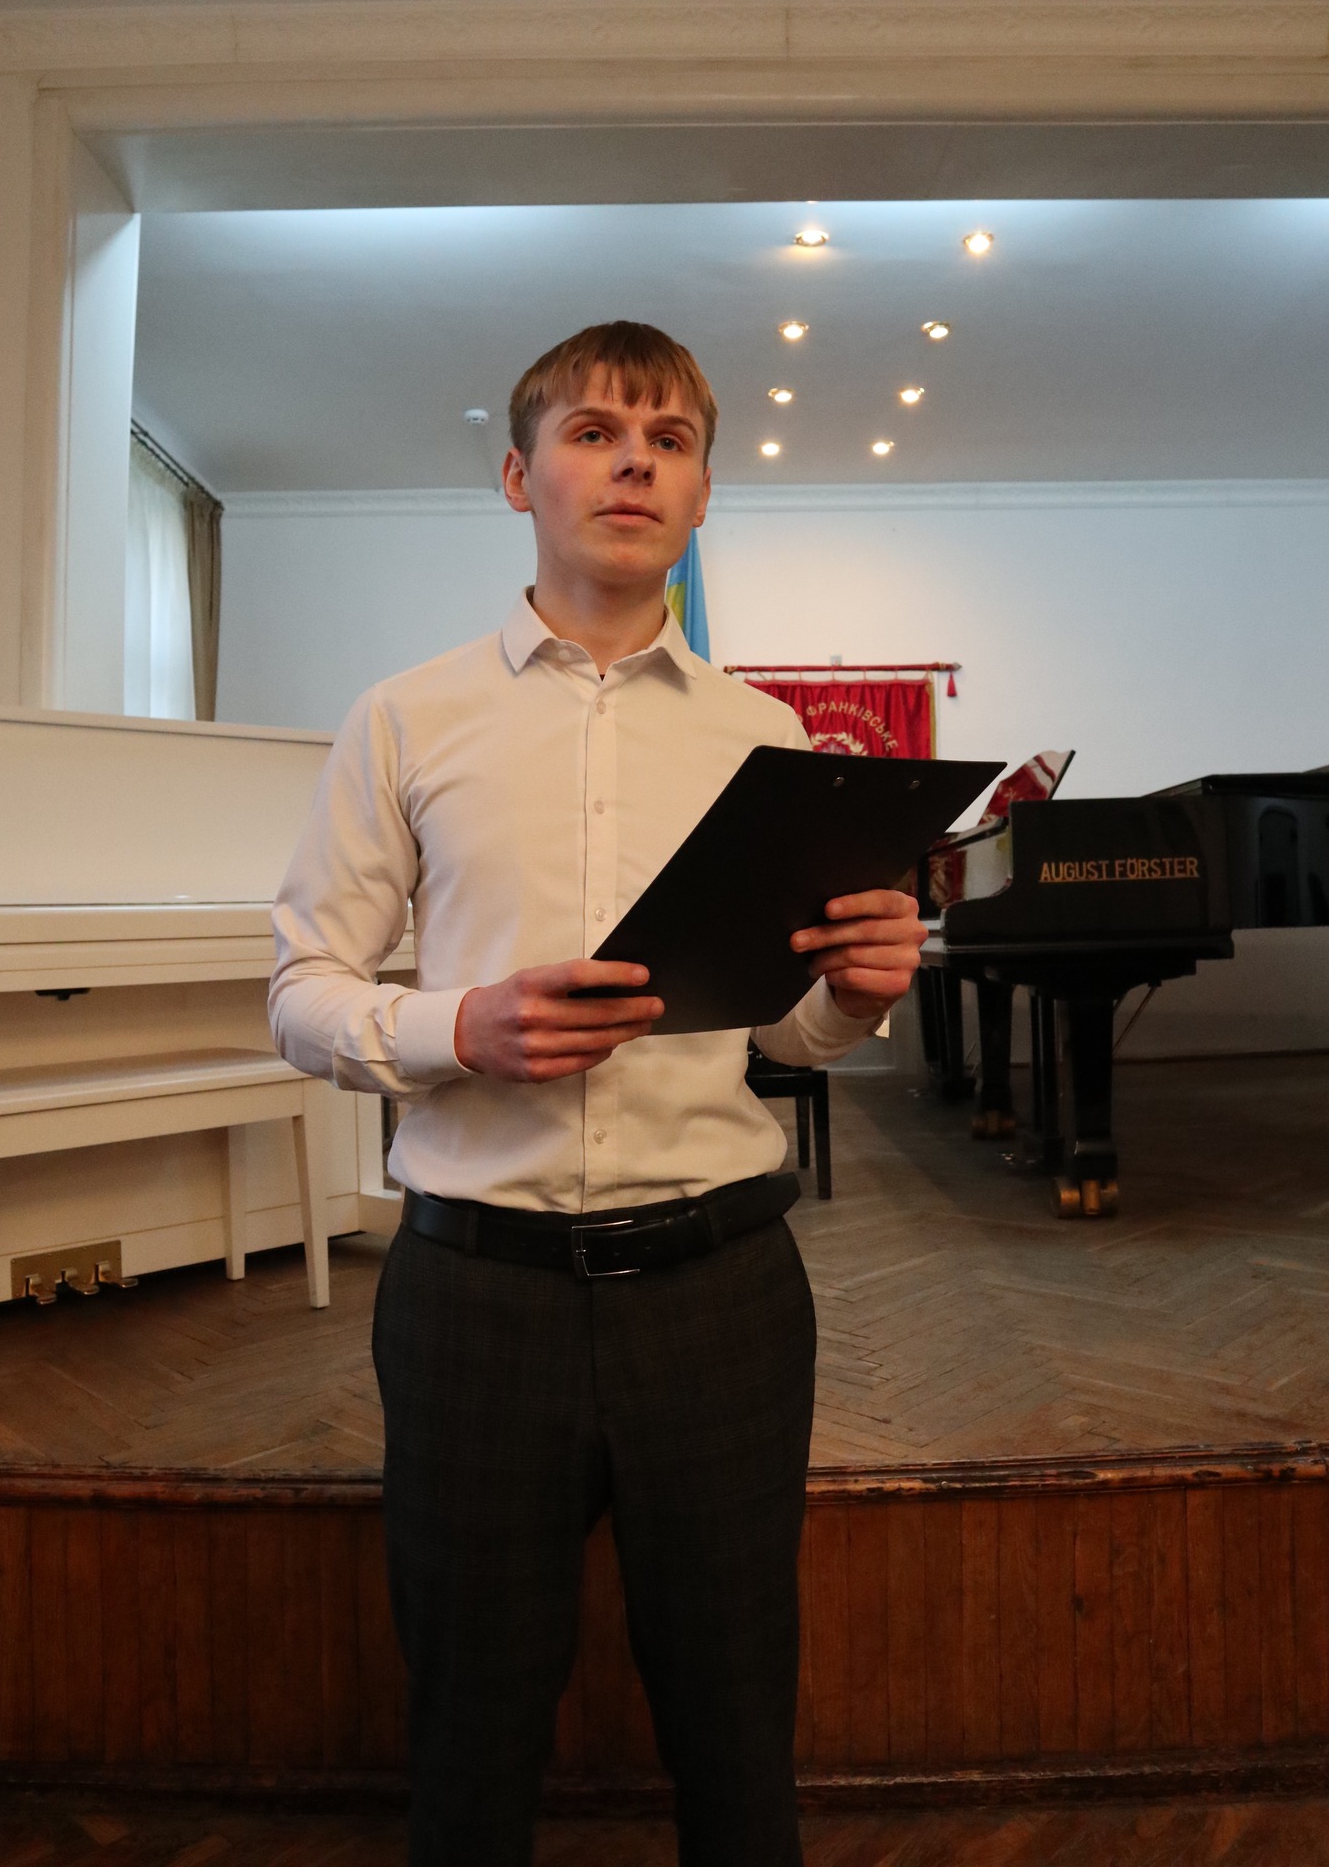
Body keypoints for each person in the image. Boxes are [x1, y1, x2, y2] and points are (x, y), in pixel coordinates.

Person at [269, 320, 926, 1866]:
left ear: (700, 497)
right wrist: (462, 1025)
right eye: (592, 432)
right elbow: (301, 993)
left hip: (721, 1288)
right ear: (519, 477)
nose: (633, 463)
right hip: (475, 1299)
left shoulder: (766, 738)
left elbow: (778, 1043)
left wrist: (855, 995)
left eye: (668, 441)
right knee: (471, 1729)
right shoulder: (404, 718)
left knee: (735, 1722)